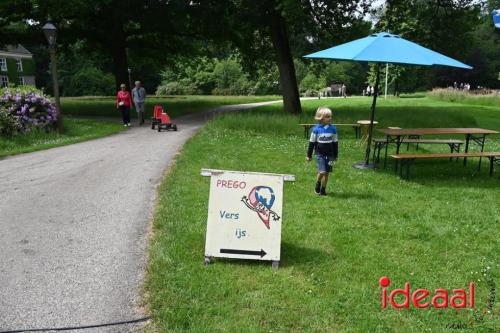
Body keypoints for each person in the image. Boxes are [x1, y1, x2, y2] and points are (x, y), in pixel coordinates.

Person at [306, 107, 339, 196]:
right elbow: (311, 143)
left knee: (327, 173)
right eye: (327, 117)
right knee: (322, 172)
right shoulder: (316, 130)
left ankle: (323, 190)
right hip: (320, 154)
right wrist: (309, 155)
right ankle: (318, 183)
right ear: (321, 118)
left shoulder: (333, 129)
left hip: (330, 154)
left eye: (330, 116)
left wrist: (336, 155)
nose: (330, 118)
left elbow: (335, 143)